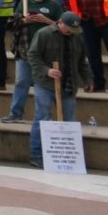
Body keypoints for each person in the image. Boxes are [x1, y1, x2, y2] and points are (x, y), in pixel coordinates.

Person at [28, 11, 87, 168]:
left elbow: (82, 61)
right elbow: (33, 56)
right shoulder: (44, 34)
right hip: (45, 84)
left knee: (70, 120)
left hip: (68, 84)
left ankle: (69, 155)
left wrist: (88, 79)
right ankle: (36, 155)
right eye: (68, 29)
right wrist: (46, 70)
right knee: (42, 117)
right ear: (60, 23)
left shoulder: (77, 38)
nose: (70, 32)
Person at [4, 0, 60, 123]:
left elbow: (63, 28)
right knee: (21, 81)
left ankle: (50, 115)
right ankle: (15, 113)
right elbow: (11, 23)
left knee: (46, 86)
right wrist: (24, 20)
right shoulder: (25, 2)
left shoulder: (53, 6)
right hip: (25, 48)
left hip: (46, 53)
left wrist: (47, 21)